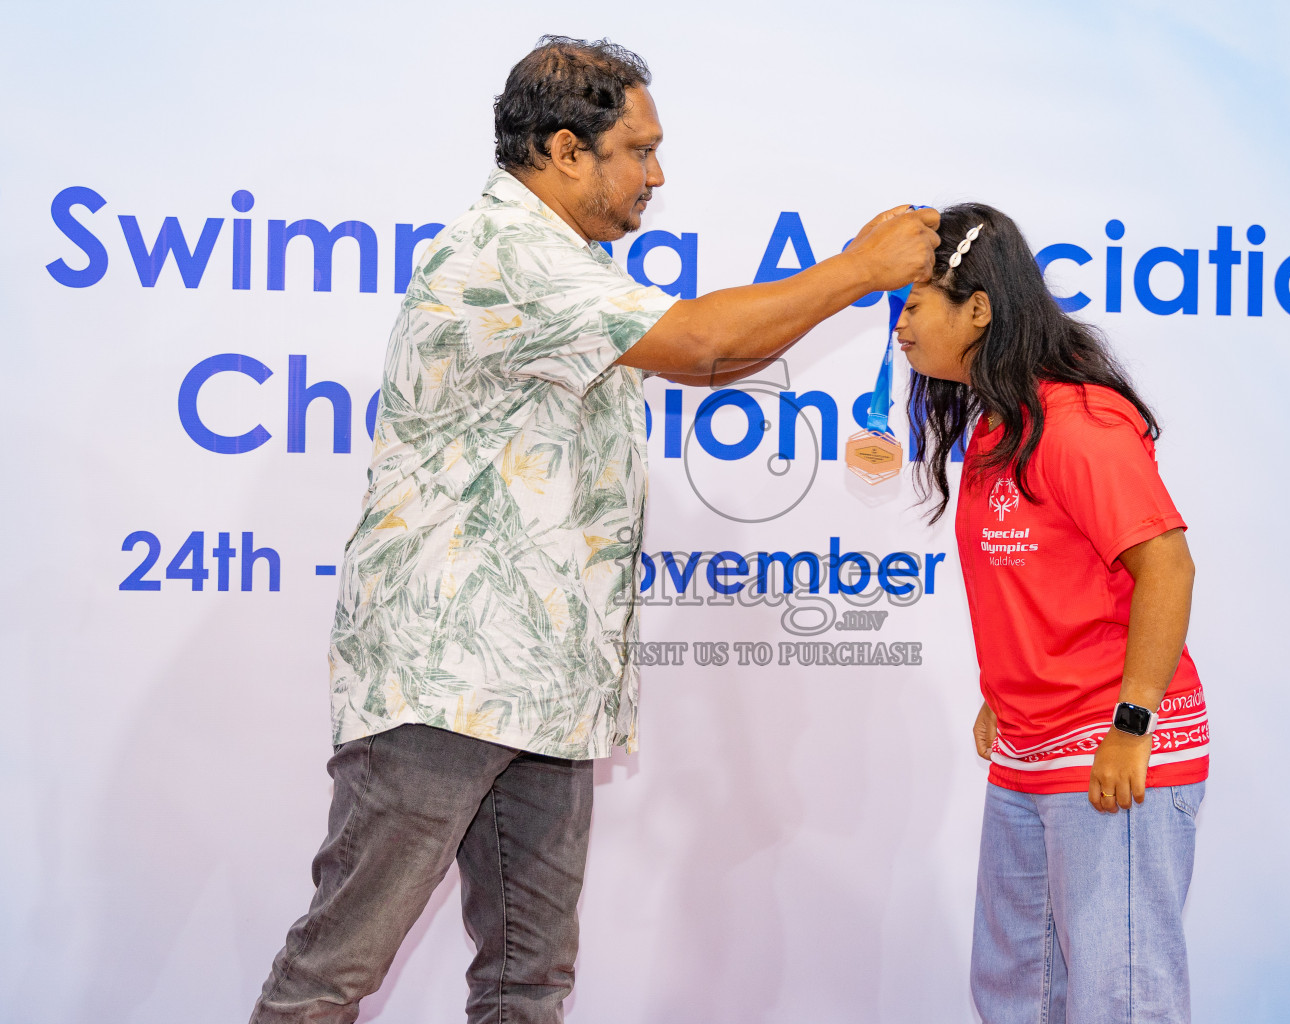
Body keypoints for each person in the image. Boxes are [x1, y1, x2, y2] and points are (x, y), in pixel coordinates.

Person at [248, 36, 939, 1024]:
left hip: (546, 691)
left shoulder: (570, 266)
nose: (659, 174)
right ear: (568, 150)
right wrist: (859, 269)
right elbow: (706, 345)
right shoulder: (508, 256)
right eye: (642, 150)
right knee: (332, 977)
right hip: (446, 687)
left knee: (528, 986)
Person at [896, 204, 1210, 1023]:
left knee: (1120, 1002)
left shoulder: (1076, 424)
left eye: (913, 303)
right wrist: (1005, 686)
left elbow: (1167, 567)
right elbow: (1041, 576)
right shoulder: (1001, 425)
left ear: (977, 309)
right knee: (1016, 996)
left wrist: (1132, 724)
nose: (899, 326)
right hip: (1031, 756)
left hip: (1112, 755)